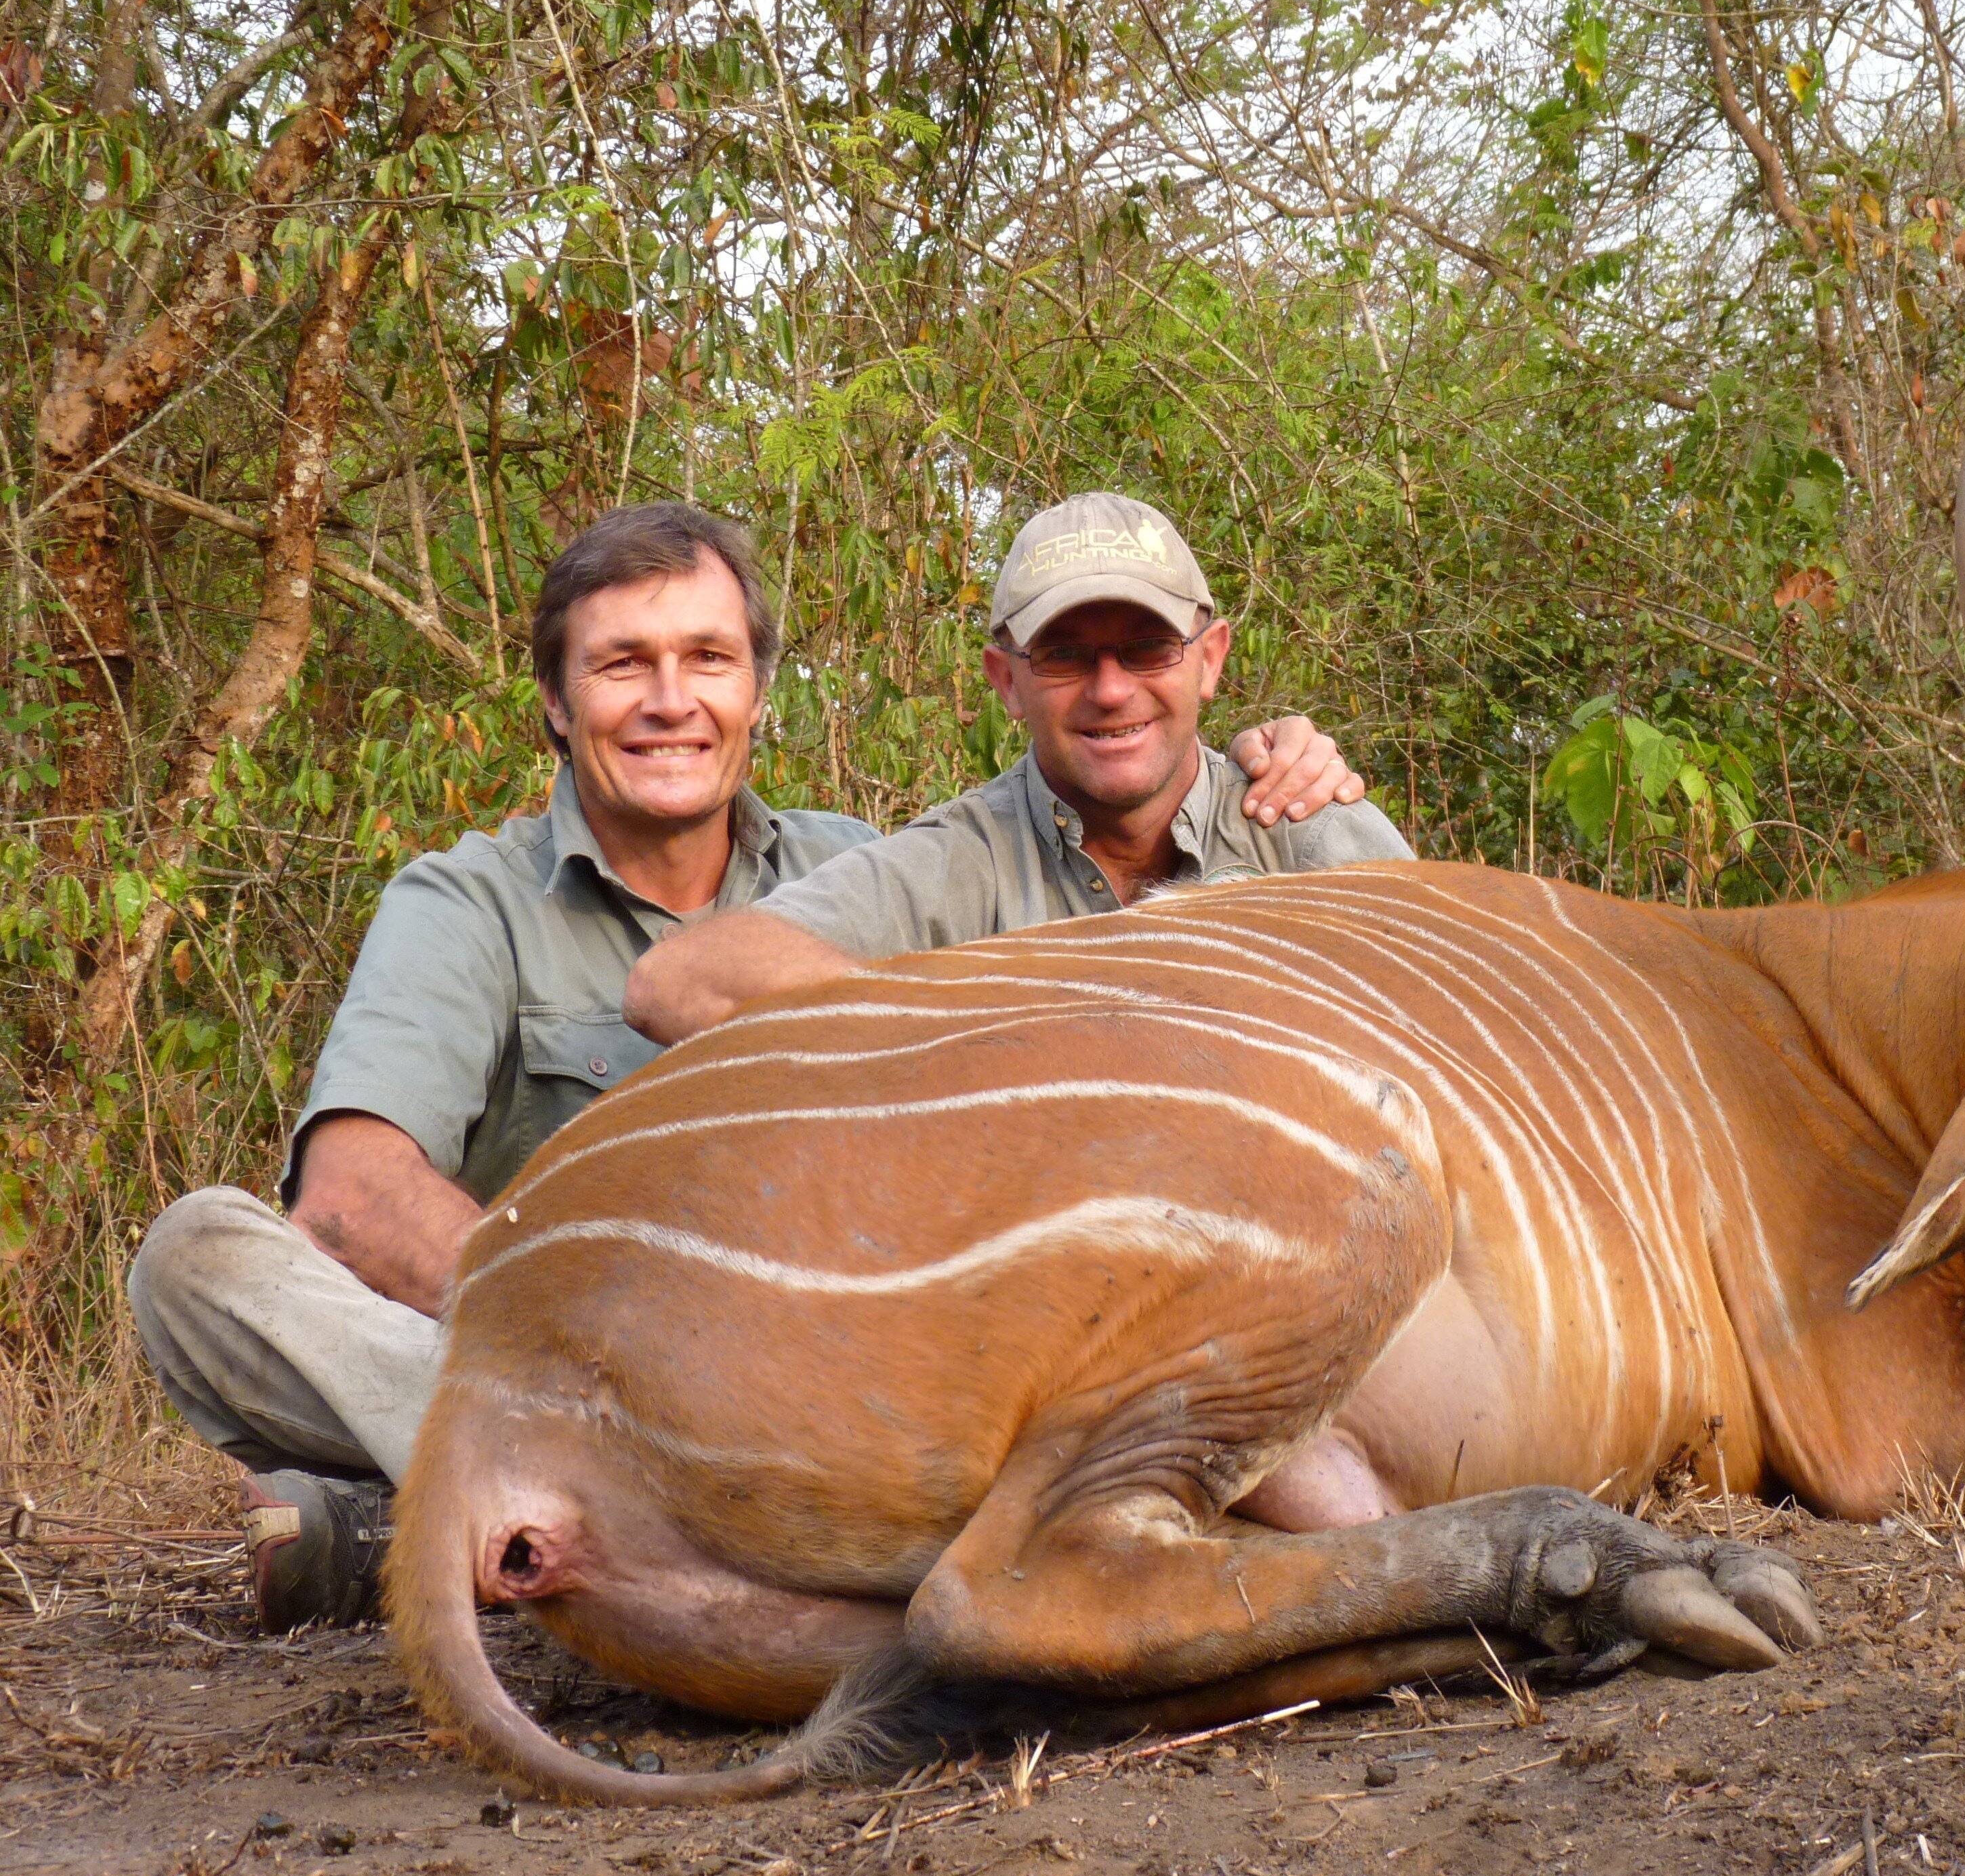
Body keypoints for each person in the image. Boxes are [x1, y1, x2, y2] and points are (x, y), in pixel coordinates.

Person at [125, 499, 1375, 1631]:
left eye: (707, 661)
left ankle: (464, 1530)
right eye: (623, 665)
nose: (672, 701)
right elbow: (349, 1198)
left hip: (850, 1381)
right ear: (558, 702)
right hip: (555, 1355)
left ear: (756, 690)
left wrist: (1273, 772)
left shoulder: (857, 867)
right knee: (200, 1257)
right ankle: (600, 1494)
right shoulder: (468, 902)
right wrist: (614, 1351)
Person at [623, 490, 1413, 1044]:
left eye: (1147, 649)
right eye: (1065, 656)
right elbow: (678, 983)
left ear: (1209, 662)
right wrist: (1006, 1035)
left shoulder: (1309, 831)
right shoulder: (959, 861)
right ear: (1006, 682)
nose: (1111, 690)